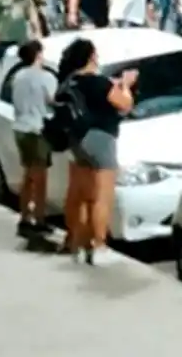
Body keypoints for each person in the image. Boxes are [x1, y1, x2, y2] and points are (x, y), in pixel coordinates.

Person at [57, 38, 136, 264]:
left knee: (81, 194)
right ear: (91, 56)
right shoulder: (98, 82)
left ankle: (78, 243)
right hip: (101, 138)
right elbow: (124, 104)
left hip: (77, 139)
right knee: (102, 195)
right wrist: (126, 85)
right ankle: (99, 246)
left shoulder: (69, 82)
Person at [10, 39, 58, 238]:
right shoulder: (46, 77)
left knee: (28, 175)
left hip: (20, 128)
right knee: (40, 179)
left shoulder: (17, 76)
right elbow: (53, 100)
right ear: (38, 55)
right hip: (37, 129)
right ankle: (39, 219)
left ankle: (24, 216)